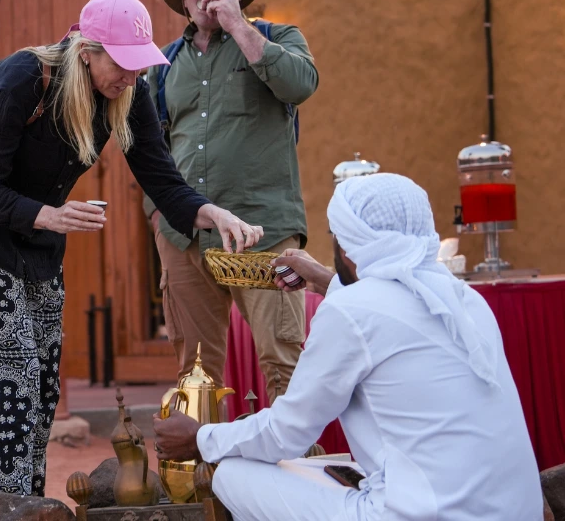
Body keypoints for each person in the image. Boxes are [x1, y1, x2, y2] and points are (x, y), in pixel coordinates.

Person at [0, 0, 264, 496]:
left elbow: (161, 179)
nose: (130, 75)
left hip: (42, 231)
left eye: (138, 64)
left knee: (43, 374)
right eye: (121, 63)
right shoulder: (25, 76)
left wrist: (209, 211)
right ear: (87, 52)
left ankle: (29, 497)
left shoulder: (129, 94)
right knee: (10, 365)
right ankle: (8, 503)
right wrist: (48, 215)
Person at [152, 173, 543, 520]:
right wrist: (324, 279)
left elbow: (286, 434)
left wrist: (200, 438)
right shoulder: (463, 298)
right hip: (516, 508)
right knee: (319, 471)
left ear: (347, 246)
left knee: (233, 473)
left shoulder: (351, 311)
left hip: (426, 512)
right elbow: (386, 301)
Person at [143, 0, 319, 401]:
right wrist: (159, 214)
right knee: (195, 375)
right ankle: (206, 474)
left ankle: (290, 470)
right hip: (185, 236)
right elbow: (148, 148)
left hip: (262, 230)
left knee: (284, 359)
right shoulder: (163, 65)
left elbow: (300, 85)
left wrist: (239, 26)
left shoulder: (279, 38)